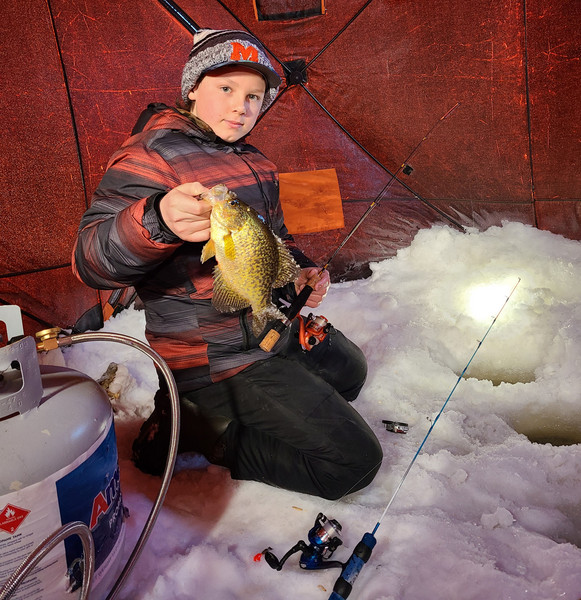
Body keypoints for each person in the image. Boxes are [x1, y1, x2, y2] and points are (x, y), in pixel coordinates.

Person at [73, 28, 382, 500]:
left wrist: (297, 270)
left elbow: (275, 240)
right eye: (226, 89)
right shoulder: (148, 156)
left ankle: (268, 387)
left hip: (266, 322)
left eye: (254, 97)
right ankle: (207, 429)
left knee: (351, 374)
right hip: (210, 356)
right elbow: (91, 262)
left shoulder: (255, 161)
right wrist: (157, 220)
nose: (241, 106)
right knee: (354, 463)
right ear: (193, 87)